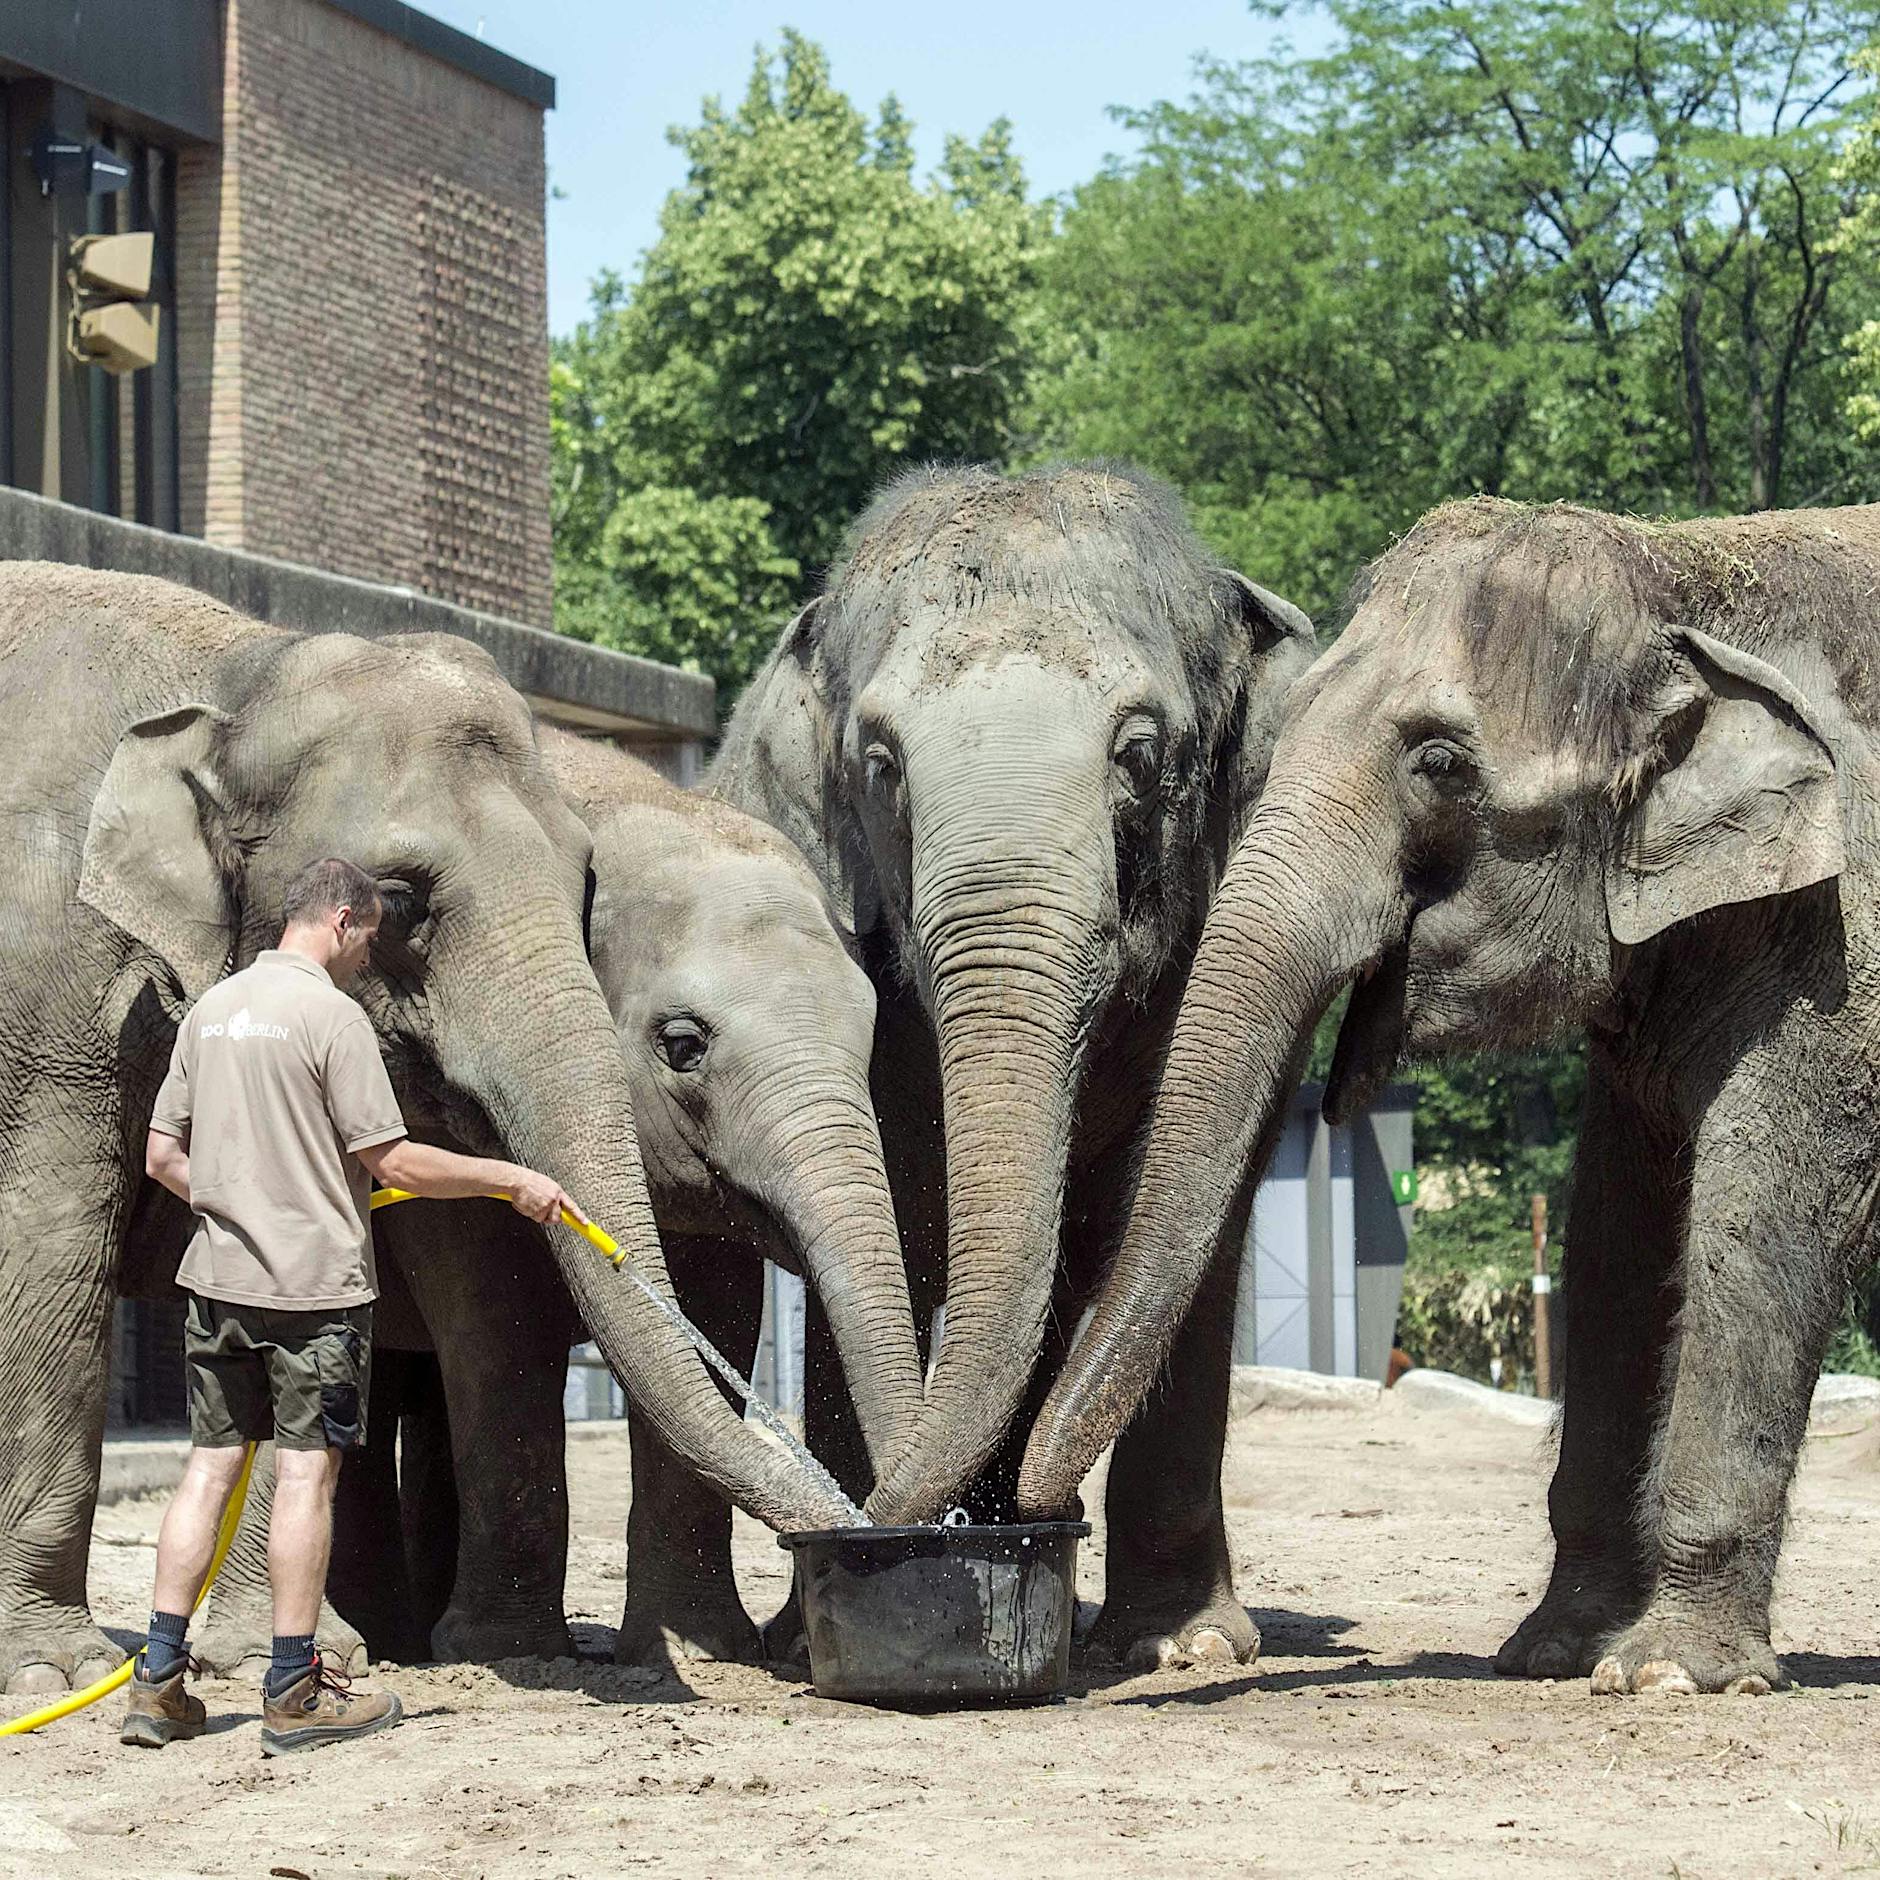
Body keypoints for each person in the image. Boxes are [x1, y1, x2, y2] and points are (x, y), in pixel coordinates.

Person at [121, 856, 584, 1755]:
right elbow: (397, 1163)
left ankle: (157, 1683)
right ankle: (293, 1690)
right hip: (312, 1294)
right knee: (304, 1475)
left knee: (209, 1469)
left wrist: (240, 1204)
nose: (366, 959)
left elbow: (162, 1157)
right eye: (368, 939)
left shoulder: (211, 1013)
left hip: (216, 1282)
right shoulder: (333, 1019)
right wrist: (513, 1180)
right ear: (340, 921)